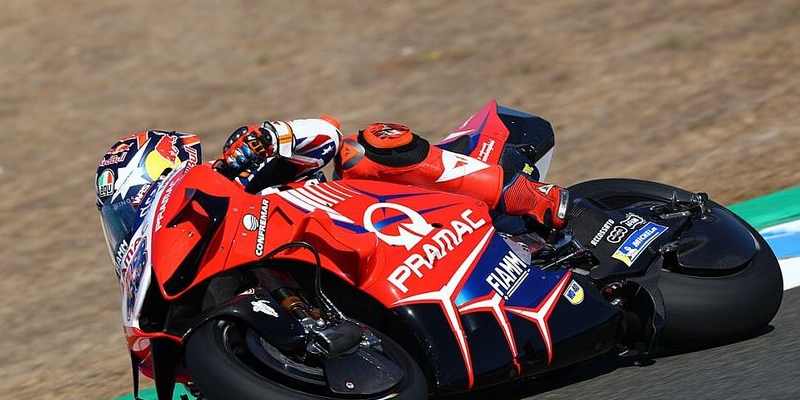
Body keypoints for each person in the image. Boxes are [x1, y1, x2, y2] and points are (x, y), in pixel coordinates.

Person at [219, 116, 570, 229]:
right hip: (350, 268)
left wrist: (269, 137)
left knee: (359, 152)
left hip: (378, 215)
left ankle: (530, 196)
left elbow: (327, 133)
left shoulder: (247, 177)